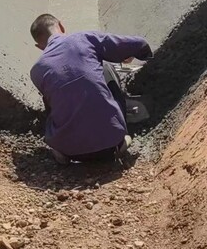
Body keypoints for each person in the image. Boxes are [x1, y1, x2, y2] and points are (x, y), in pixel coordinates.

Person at [29, 14, 153, 165]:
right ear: (61, 26)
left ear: (40, 47)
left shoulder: (36, 71)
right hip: (111, 143)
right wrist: (136, 54)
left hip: (70, 151)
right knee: (106, 68)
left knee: (51, 94)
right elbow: (137, 44)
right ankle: (121, 134)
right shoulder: (83, 38)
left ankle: (60, 147)